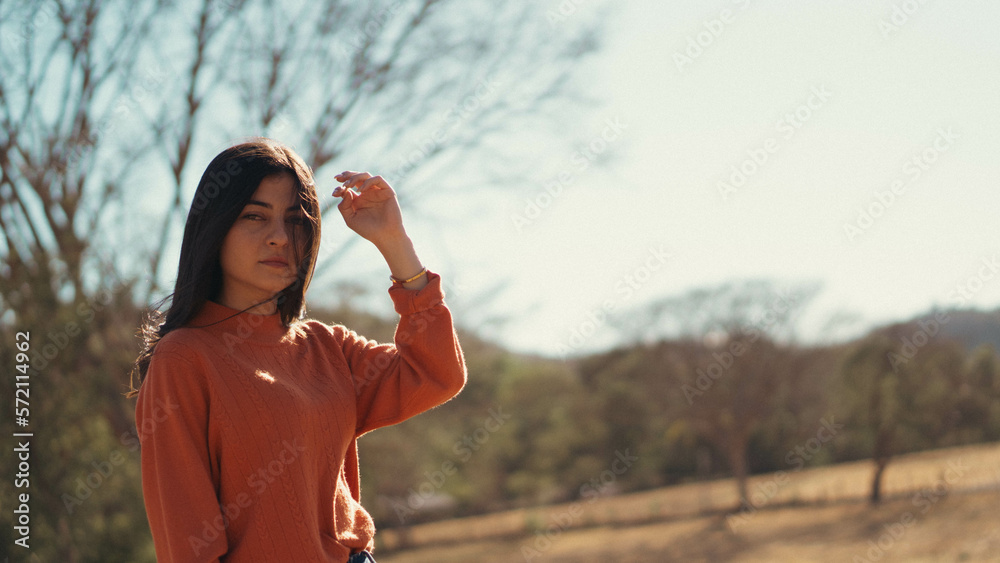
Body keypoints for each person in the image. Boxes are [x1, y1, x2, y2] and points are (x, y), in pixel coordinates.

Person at [127, 138, 466, 562]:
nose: (279, 238)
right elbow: (187, 543)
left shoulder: (326, 346)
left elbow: (437, 373)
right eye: (255, 216)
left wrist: (394, 241)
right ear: (215, 227)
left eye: (295, 220)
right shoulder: (182, 358)